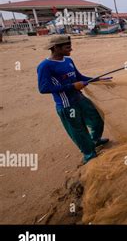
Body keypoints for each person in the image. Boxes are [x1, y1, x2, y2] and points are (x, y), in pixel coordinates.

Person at [37, 35, 110, 164]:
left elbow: (79, 77)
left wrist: (97, 79)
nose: (71, 49)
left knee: (97, 117)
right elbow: (44, 88)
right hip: (66, 104)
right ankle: (89, 154)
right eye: (67, 47)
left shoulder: (68, 60)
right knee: (79, 130)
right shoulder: (45, 66)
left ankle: (95, 140)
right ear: (55, 48)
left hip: (79, 98)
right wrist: (71, 86)